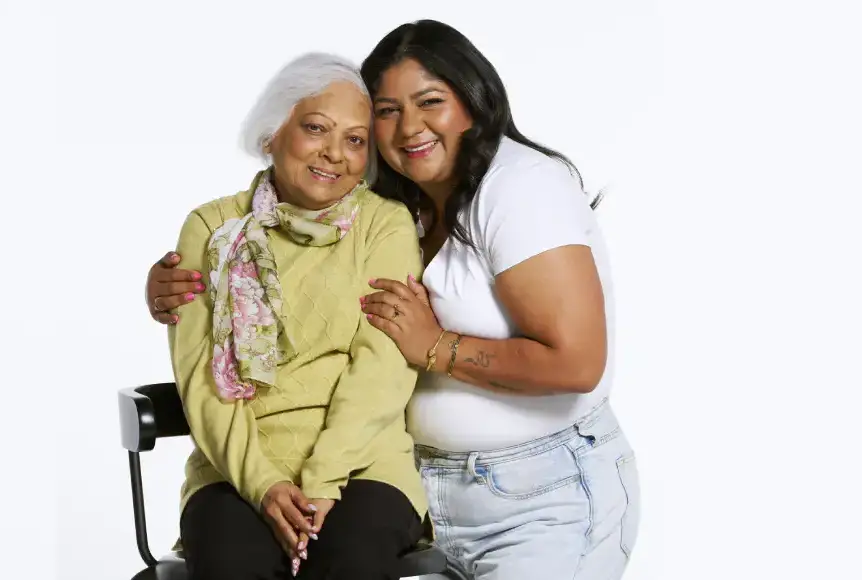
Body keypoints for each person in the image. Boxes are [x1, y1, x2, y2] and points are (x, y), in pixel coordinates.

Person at [144, 20, 640, 580]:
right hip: (427, 485)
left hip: (532, 497)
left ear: (474, 101)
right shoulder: (397, 194)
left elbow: (575, 363)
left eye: (430, 102)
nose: (407, 128)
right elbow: (208, 361)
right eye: (385, 111)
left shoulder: (513, 190)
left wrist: (433, 349)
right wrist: (171, 290)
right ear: (271, 133)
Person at [164, 52, 429, 580]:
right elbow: (201, 380)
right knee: (232, 564)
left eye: (355, 139)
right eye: (315, 128)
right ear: (271, 132)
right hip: (237, 469)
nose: (335, 153)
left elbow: (381, 367)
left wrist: (322, 480)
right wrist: (263, 484)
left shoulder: (384, 225)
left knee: (349, 562)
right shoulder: (211, 227)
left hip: (363, 465)